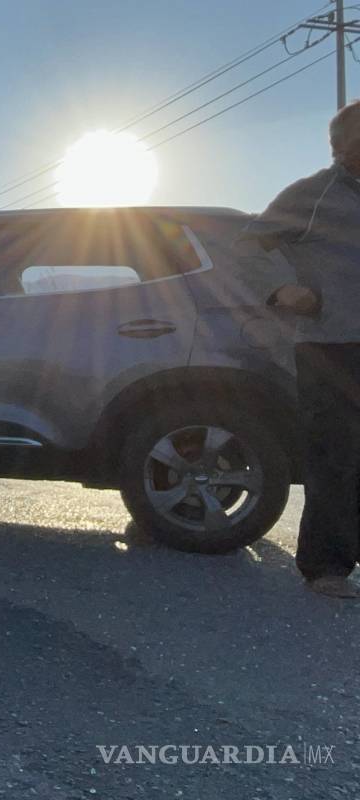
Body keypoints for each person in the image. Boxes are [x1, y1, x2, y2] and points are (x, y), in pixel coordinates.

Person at [239, 99, 360, 598]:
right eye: (349, 143)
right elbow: (248, 245)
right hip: (330, 345)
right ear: (338, 147)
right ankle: (327, 566)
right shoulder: (311, 195)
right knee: (336, 454)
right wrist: (283, 290)